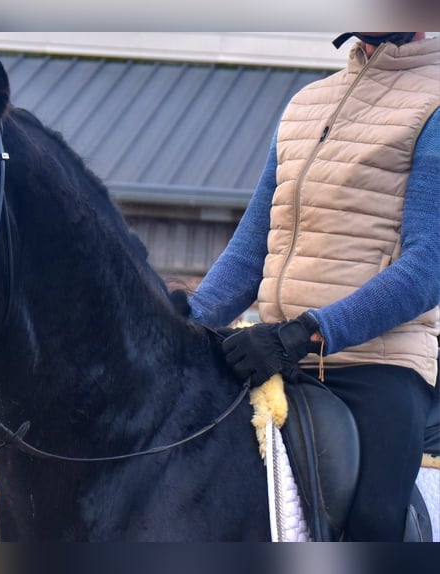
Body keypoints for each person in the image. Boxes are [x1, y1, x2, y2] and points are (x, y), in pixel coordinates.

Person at [187, 32, 440, 541]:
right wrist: (182, 325)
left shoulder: (434, 102)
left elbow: (429, 264)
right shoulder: (307, 103)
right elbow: (247, 253)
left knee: (372, 521)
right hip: (273, 350)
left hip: (378, 362)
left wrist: (308, 332)